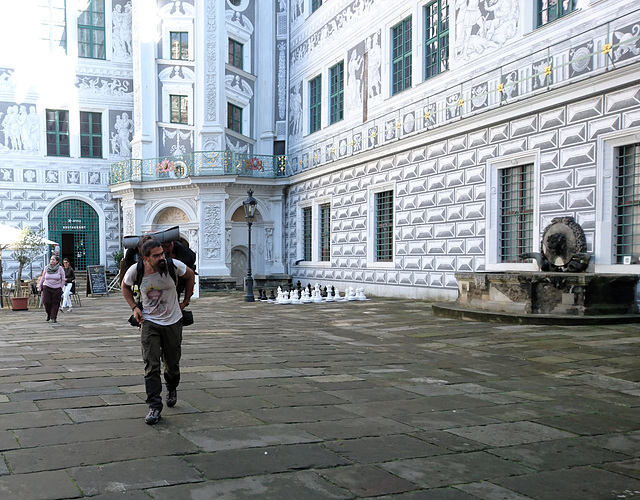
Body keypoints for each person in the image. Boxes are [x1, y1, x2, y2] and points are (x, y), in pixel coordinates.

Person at [121, 238, 195, 425]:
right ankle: (154, 406)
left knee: (172, 364)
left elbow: (191, 276)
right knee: (151, 365)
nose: (162, 257)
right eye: (157, 256)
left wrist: (185, 302)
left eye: (162, 253)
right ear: (146, 258)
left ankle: (171, 387)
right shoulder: (135, 270)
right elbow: (125, 286)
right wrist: (134, 308)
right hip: (149, 322)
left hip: (173, 322)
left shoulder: (173, 265)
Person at [37, 255, 65, 323]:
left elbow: (63, 279)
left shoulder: (60, 269)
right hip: (47, 286)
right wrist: (40, 285)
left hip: (57, 287)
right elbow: (43, 277)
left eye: (53, 260)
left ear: (57, 261)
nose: (51, 261)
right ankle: (49, 313)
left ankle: (53, 317)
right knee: (46, 301)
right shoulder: (46, 267)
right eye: (51, 259)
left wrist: (61, 287)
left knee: (55, 302)